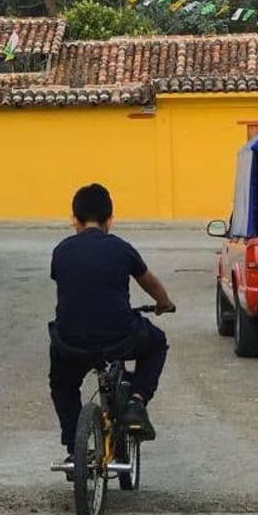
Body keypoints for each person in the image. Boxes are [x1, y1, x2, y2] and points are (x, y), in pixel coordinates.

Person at [49, 183, 176, 463]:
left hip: (70, 341)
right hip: (119, 336)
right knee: (157, 343)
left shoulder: (61, 251)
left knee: (62, 383)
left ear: (75, 220)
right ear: (110, 220)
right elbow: (150, 283)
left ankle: (74, 448)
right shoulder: (121, 248)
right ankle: (136, 401)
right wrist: (164, 304)